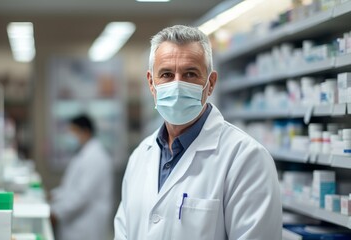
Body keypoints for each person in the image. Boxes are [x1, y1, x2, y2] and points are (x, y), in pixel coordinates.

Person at [114, 25, 282, 240]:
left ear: (210, 83)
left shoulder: (246, 158)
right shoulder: (140, 156)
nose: (177, 85)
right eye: (166, 74)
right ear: (151, 83)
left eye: (190, 74)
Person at [50, 114, 113, 240]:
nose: (70, 135)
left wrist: (57, 213)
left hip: (86, 224)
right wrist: (54, 195)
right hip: (78, 222)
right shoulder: (84, 154)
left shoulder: (95, 157)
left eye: (73, 131)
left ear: (85, 132)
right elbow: (71, 188)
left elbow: (81, 195)